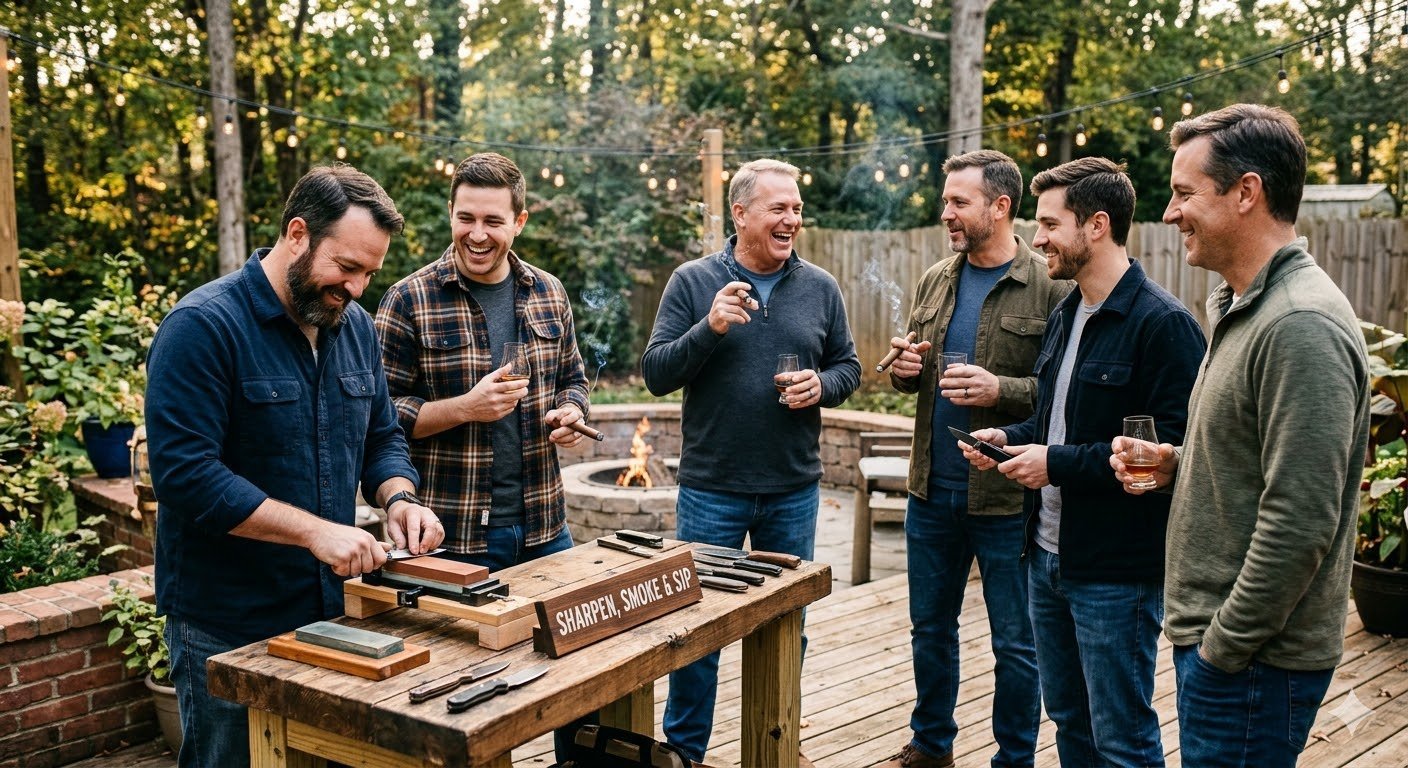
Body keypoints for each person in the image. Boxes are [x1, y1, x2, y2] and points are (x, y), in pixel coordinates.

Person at [146, 165, 444, 767]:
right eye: (347, 266)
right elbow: (184, 475)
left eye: (369, 273)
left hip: (329, 614)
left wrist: (399, 499)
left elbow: (381, 436)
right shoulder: (202, 327)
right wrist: (315, 531)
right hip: (226, 623)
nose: (358, 288)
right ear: (298, 233)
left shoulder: (354, 326)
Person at [1111, 104, 1371, 767]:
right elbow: (1257, 458)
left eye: (1184, 193)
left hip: (1253, 661)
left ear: (1246, 192)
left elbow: (1302, 518)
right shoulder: (1244, 309)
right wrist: (1177, 461)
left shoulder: (1298, 324)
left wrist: (1222, 647)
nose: (1170, 214)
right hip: (1227, 649)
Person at [961, 157, 1204, 766]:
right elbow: (1055, 423)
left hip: (1116, 575)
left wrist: (1056, 463)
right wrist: (1010, 439)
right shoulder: (1067, 313)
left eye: (1048, 223)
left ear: (1096, 226)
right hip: (1045, 559)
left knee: (1122, 738)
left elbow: (1166, 460)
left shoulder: (1164, 325)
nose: (1035, 237)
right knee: (1069, 720)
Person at [641, 158, 860, 767]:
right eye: (778, 209)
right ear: (740, 215)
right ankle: (684, 753)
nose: (792, 219)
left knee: (786, 628)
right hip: (712, 490)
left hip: (793, 489)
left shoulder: (820, 286)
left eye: (795, 208)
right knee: (696, 631)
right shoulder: (691, 281)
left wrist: (824, 385)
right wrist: (709, 327)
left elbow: (848, 367)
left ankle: (775, 745)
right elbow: (657, 372)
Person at [879, 150, 1069, 768]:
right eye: (946, 202)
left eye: (959, 202)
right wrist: (907, 370)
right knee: (929, 630)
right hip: (931, 489)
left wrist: (1001, 391)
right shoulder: (937, 279)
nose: (946, 213)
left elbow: (1065, 391)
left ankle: (1014, 759)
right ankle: (932, 744)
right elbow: (915, 372)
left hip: (1007, 498)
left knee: (1017, 644)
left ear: (1001, 207)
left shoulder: (1053, 286)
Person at [375, 151, 591, 571]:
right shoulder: (407, 299)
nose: (477, 235)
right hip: (449, 535)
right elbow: (376, 418)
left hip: (546, 528)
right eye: (466, 218)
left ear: (519, 222)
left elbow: (574, 379)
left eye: (493, 222)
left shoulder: (549, 292)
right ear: (450, 214)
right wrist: (465, 408)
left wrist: (571, 409)